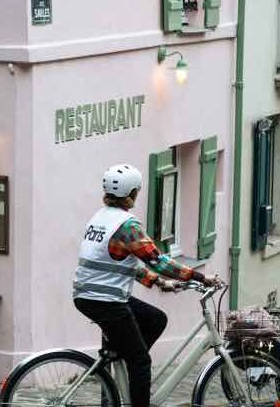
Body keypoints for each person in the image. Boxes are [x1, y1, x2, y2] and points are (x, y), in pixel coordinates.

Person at [73, 164, 223, 407]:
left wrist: (157, 282)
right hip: (105, 300)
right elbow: (157, 260)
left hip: (91, 294)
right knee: (140, 360)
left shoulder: (100, 218)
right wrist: (199, 277)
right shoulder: (126, 225)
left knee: (155, 319)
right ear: (132, 194)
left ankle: (120, 364)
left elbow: (121, 263)